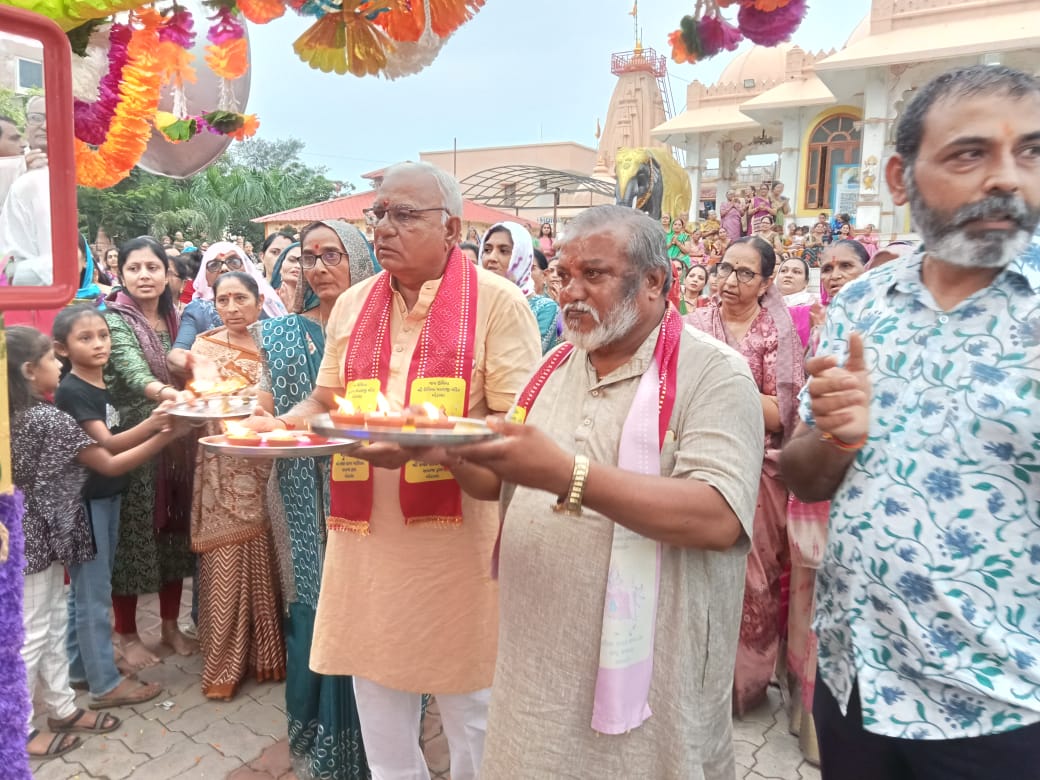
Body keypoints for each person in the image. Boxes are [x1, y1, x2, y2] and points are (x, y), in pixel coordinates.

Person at [436, 205, 763, 777]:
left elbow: (718, 518)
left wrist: (570, 475)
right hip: (537, 668)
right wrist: (444, 449)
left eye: (594, 274)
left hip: (652, 681)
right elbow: (497, 485)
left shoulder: (715, 373)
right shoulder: (554, 365)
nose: (570, 293)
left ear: (654, 281)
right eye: (563, 275)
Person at [779, 65, 1040, 778]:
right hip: (858, 685)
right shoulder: (861, 305)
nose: (1006, 177)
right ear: (899, 178)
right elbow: (803, 475)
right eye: (970, 153)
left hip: (1006, 712)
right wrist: (834, 437)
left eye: (1030, 151)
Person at [248, 162, 541, 780]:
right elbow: (325, 401)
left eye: (404, 214)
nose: (383, 227)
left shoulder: (498, 303)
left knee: (475, 720)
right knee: (380, 716)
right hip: (366, 546)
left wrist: (431, 445)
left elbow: (517, 428)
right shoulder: (354, 304)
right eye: (378, 214)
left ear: (452, 228)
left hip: (459, 553)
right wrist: (278, 426)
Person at [8, 325, 182, 759]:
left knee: (52, 623)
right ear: (29, 370)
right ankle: (17, 732)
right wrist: (167, 432)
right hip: (32, 540)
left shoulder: (21, 412)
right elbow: (109, 461)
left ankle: (63, 708)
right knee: (32, 633)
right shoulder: (45, 418)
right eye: (51, 358)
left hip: (43, 534)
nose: (59, 365)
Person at [250, 218, 376, 779]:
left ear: (359, 260)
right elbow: (267, 400)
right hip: (299, 482)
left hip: (371, 479)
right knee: (310, 597)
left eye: (332, 254)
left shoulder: (382, 332)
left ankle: (371, 737)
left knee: (363, 597)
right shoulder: (279, 334)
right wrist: (257, 419)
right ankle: (316, 729)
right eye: (308, 256)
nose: (319, 267)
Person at [686, 236, 804, 715]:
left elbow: (782, 412)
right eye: (725, 269)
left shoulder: (776, 333)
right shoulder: (695, 324)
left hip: (759, 467)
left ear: (766, 283)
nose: (730, 281)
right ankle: (694, 680)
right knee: (695, 572)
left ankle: (743, 688)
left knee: (754, 578)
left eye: (745, 273)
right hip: (698, 461)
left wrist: (720, 388)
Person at [53, 306, 169, 711]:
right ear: (62, 349)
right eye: (85, 338)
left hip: (105, 497)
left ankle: (81, 669)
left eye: (103, 335)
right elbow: (109, 444)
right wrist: (159, 425)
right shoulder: (73, 391)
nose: (99, 344)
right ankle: (104, 684)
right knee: (94, 594)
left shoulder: (99, 383)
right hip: (87, 503)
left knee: (85, 592)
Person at [783, 238, 869, 766]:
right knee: (805, 599)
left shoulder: (864, 322)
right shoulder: (826, 325)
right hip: (814, 480)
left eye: (847, 266)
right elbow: (805, 417)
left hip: (856, 503)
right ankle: (803, 714)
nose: (834, 275)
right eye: (828, 267)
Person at [190, 272, 285, 701]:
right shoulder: (205, 346)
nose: (231, 308)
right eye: (222, 300)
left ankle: (268, 656)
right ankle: (224, 665)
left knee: (269, 551)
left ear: (259, 302)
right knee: (225, 556)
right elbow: (200, 400)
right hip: (222, 467)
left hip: (268, 463)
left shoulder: (276, 342)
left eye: (240, 298)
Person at [103, 237, 196, 670]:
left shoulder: (178, 319)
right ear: (121, 274)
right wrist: (165, 394)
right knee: (133, 539)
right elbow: (129, 365)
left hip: (179, 442)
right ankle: (127, 634)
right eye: (134, 268)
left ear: (166, 274)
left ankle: (171, 627)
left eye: (152, 268)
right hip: (135, 439)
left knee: (174, 537)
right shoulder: (114, 319)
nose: (144, 276)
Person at [170, 242, 285, 355]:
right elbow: (178, 354)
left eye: (234, 262)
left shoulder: (268, 304)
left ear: (247, 268)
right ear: (205, 275)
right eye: (214, 265)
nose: (224, 268)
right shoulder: (197, 309)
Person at [481, 221, 560, 354]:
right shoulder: (473, 302)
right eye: (487, 250)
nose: (491, 258)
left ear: (522, 259)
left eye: (504, 251)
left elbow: (527, 356)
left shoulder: (545, 308)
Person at [270, 241, 301, 311]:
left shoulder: (318, 305)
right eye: (292, 260)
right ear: (280, 267)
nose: (298, 266)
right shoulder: (266, 299)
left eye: (304, 262)